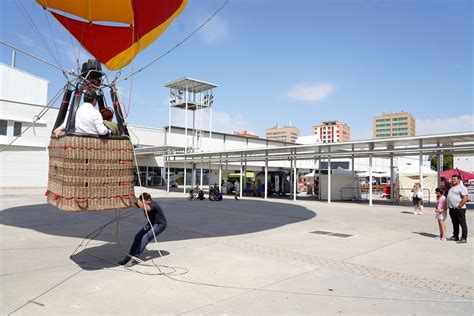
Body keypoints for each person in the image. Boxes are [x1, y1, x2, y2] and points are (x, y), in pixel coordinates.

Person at [118, 193, 167, 267]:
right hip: (151, 224)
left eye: (143, 202)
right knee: (138, 236)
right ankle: (130, 256)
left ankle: (135, 259)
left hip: (160, 225)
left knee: (145, 237)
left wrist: (136, 199)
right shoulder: (144, 204)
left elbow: (146, 208)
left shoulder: (154, 205)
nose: (143, 204)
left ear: (149, 200)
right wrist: (124, 199)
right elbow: (133, 205)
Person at [447, 175, 469, 243]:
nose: (453, 180)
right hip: (452, 208)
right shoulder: (452, 187)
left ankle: (464, 238)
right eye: (452, 179)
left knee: (462, 223)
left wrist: (459, 206)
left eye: (455, 179)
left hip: (460, 209)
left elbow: (465, 198)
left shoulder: (462, 187)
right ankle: (455, 236)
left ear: (459, 180)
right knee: (454, 223)